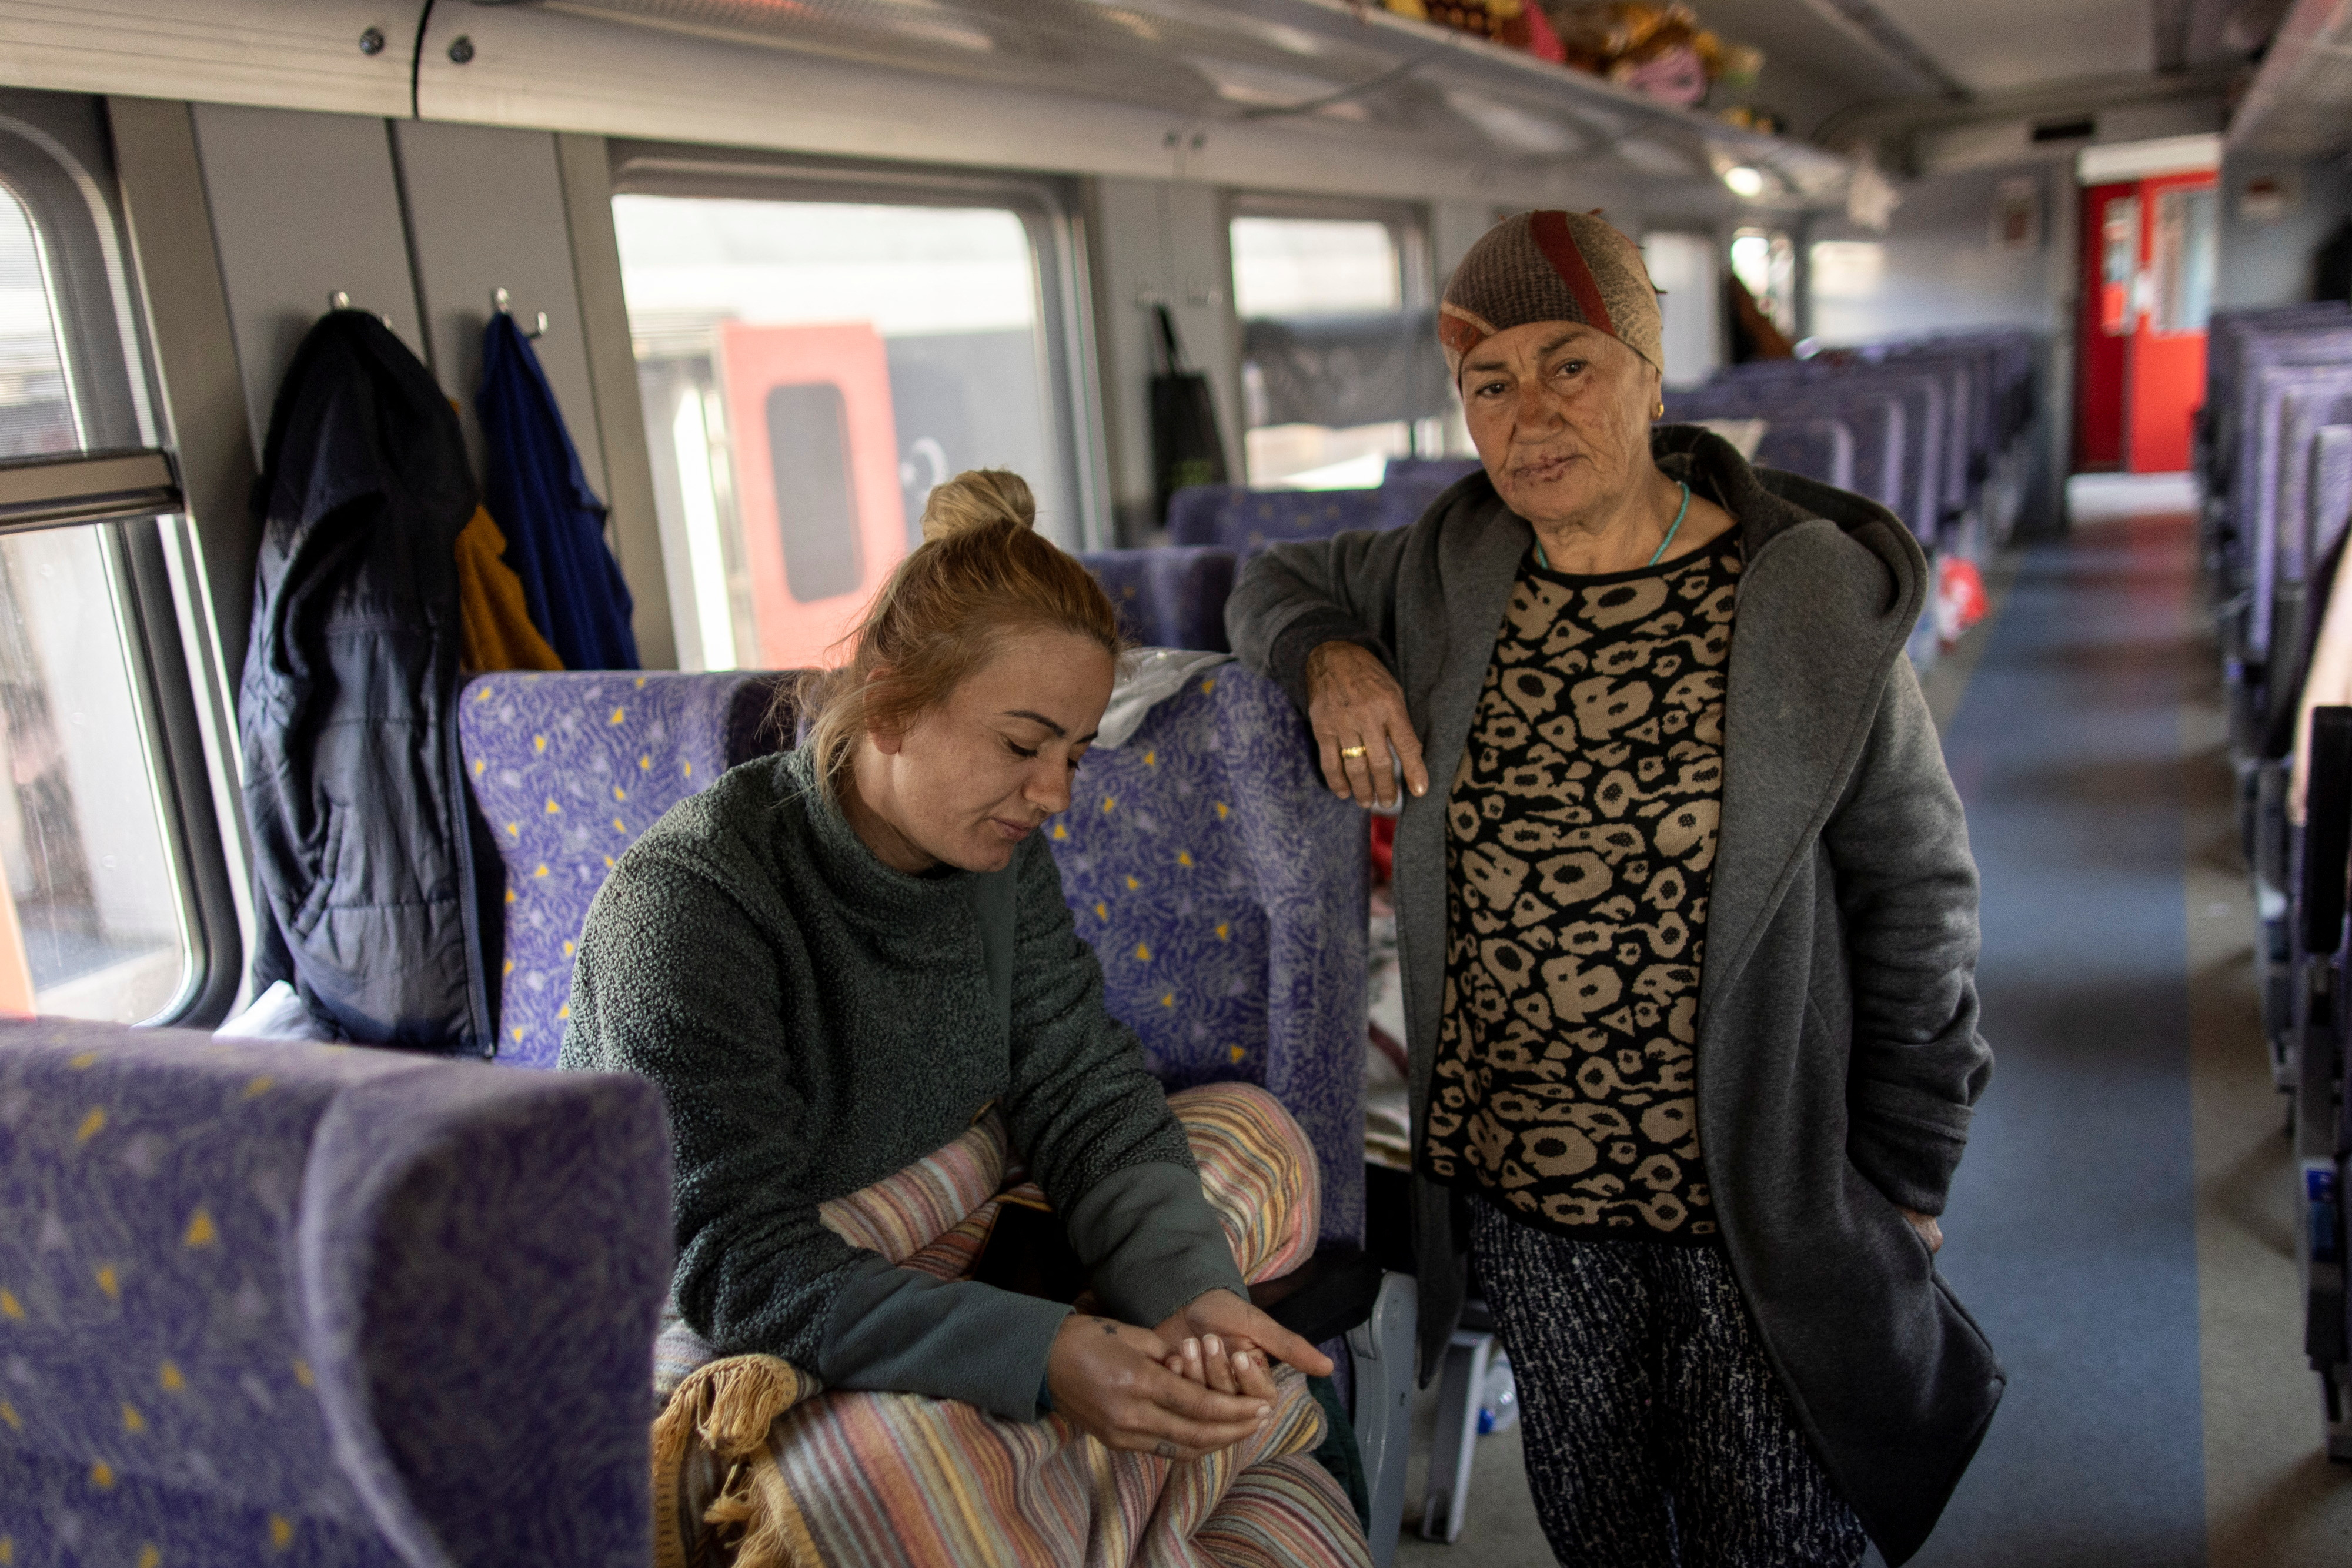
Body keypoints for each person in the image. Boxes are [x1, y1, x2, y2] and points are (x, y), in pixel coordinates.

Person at [1225, 211, 2001, 1568]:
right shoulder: (1448, 565)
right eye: (1488, 382)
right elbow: (1270, 581)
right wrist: (1325, 658)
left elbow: (1917, 890)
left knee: (1771, 1538)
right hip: (1531, 1206)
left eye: (1567, 363)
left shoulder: (1801, 596)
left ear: (1650, 372)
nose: (1528, 413)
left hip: (1751, 1195)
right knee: (1597, 1535)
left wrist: (1905, 1166)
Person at [561, 470, 1361, 1566]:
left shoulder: (992, 853)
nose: (1055, 796)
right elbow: (733, 1263)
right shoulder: (695, 906)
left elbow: (1077, 1082)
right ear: (889, 698)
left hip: (948, 1218)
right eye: (1023, 745)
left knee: (1254, 1136)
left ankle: (1048, 1486)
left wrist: (1190, 1299)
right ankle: (1163, 1478)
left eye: (1074, 755)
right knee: (873, 1489)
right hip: (752, 1300)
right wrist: (1052, 1356)